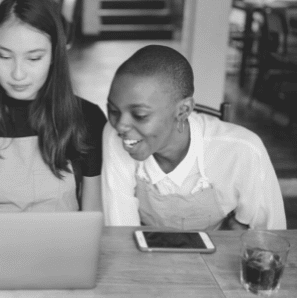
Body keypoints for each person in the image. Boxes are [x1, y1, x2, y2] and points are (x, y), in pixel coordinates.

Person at [0, 0, 106, 212]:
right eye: (4, 57)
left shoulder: (87, 118)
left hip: (62, 246)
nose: (17, 74)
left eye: (34, 58)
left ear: (55, 55)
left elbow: (94, 215)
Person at [102, 45, 286, 230]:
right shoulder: (115, 138)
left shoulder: (242, 150)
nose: (120, 125)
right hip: (144, 252)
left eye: (140, 115)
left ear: (183, 110)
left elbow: (270, 238)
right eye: (113, 110)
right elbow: (121, 233)